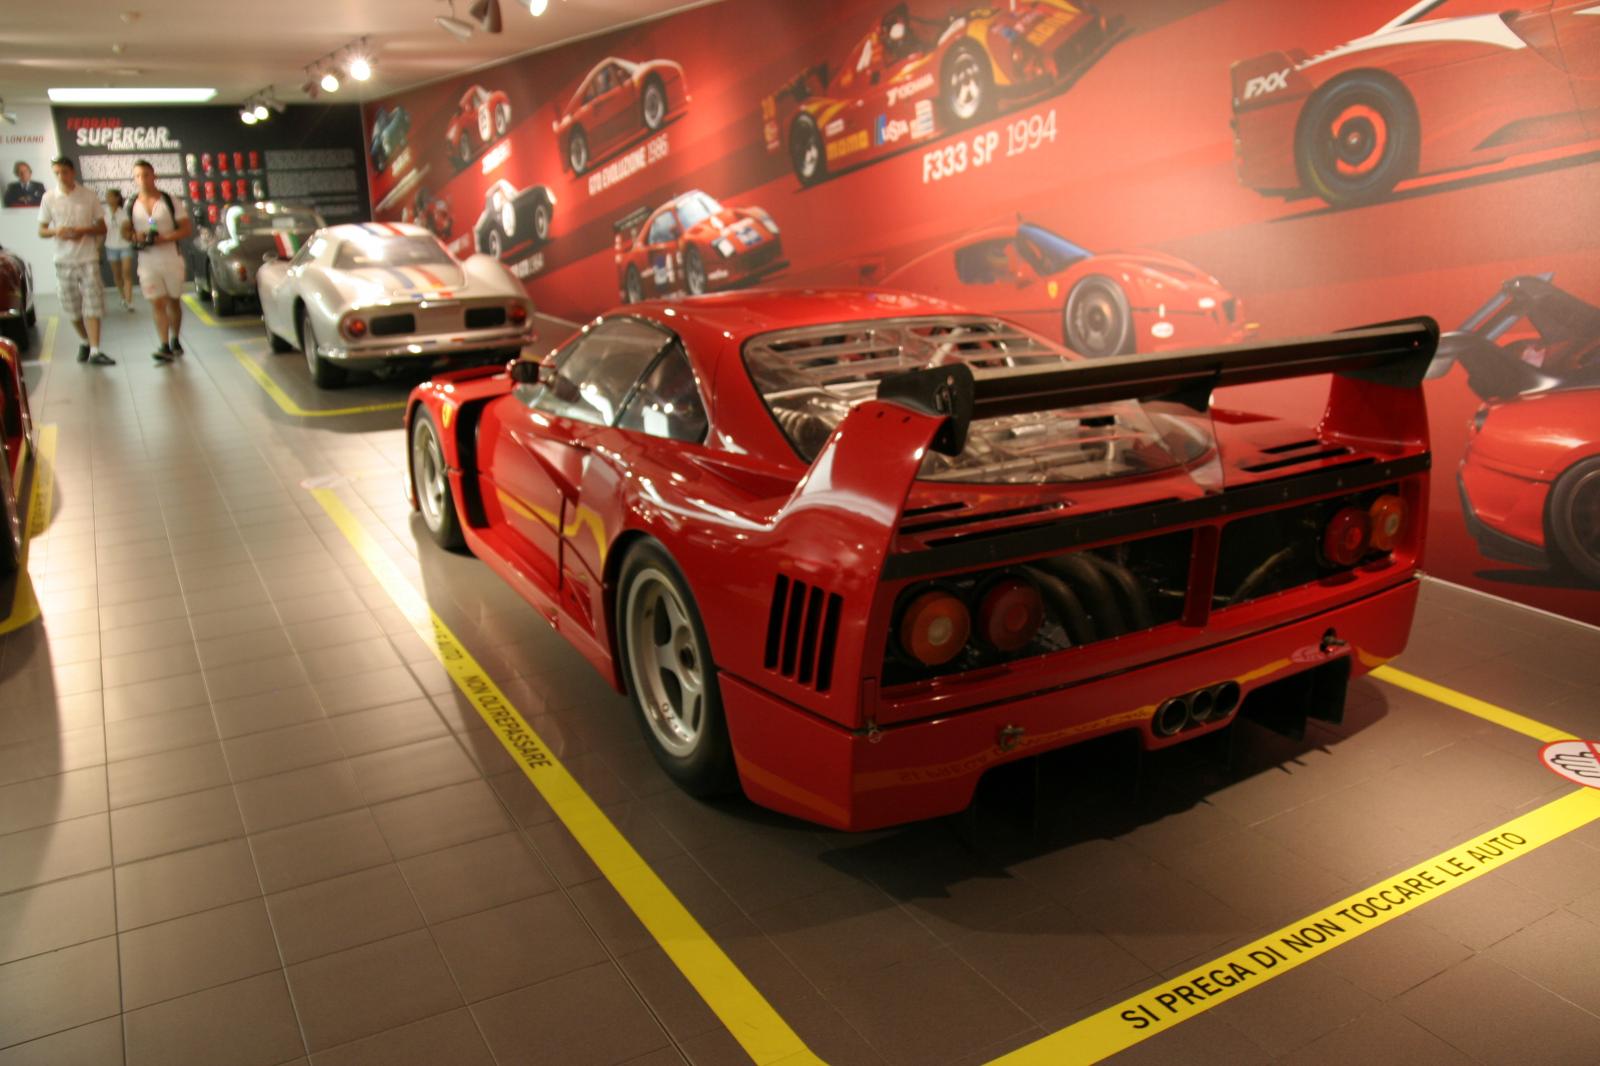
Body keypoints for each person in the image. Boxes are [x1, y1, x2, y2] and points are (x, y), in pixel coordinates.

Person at [36, 156, 113, 365]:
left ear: (72, 172)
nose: (61, 176)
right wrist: (56, 231)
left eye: (64, 172)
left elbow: (102, 227)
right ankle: (85, 341)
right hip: (63, 259)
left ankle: (95, 350)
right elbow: (41, 230)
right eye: (57, 173)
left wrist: (83, 230)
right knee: (71, 308)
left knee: (93, 304)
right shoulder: (49, 198)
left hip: (88, 257)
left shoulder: (88, 196)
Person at [123, 159, 192, 363]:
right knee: (157, 302)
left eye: (146, 175)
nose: (142, 180)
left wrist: (165, 238)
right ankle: (164, 344)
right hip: (147, 260)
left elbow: (185, 228)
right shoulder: (131, 204)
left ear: (154, 176)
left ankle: (175, 337)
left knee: (173, 300)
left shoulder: (169, 200)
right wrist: (135, 236)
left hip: (171, 258)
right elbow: (125, 231)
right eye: (138, 176)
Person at [103, 188, 135, 311]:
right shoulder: (104, 213)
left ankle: (129, 301)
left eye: (110, 196)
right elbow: (101, 230)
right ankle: (123, 297)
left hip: (125, 245)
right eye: (107, 196)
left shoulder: (124, 212)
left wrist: (127, 229)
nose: (107, 199)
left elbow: (128, 228)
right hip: (111, 246)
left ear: (117, 198)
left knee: (126, 272)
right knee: (117, 274)